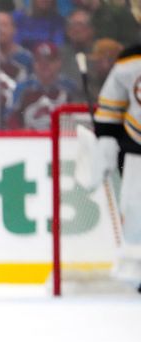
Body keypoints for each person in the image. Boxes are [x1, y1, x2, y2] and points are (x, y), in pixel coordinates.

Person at [92, 43, 141, 289]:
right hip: (136, 150)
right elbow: (112, 103)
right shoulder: (131, 59)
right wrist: (106, 138)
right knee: (135, 210)